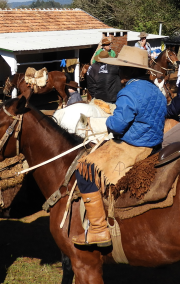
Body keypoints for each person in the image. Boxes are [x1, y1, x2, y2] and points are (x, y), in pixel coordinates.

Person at [72, 46, 165, 247]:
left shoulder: (129, 92)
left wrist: (108, 122)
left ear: (129, 71)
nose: (118, 71)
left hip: (133, 145)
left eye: (121, 68)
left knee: (85, 168)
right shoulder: (155, 89)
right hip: (156, 144)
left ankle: (98, 230)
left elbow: (118, 125)